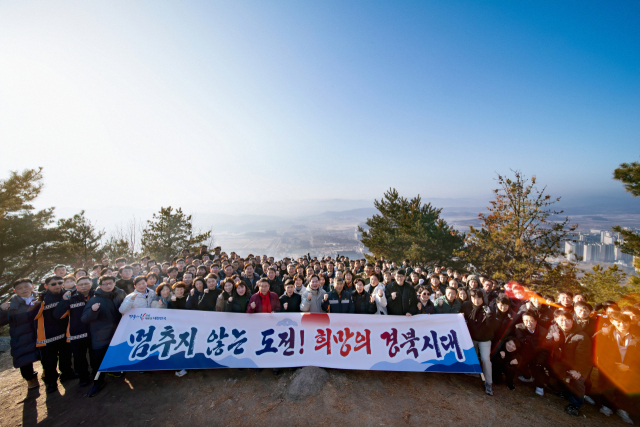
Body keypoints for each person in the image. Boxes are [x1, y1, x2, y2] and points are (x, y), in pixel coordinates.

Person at [81, 275, 126, 397]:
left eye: (110, 283)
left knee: (116, 354)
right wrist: (93, 311)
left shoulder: (119, 294)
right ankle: (98, 382)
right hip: (101, 336)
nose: (108, 286)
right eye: (105, 284)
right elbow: (84, 319)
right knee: (98, 361)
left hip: (117, 333)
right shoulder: (94, 300)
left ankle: (114, 371)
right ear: (100, 285)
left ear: (114, 283)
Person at [546, 309, 592, 417]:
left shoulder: (581, 336)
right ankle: (563, 390)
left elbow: (583, 357)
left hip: (580, 365)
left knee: (578, 380)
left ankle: (575, 405)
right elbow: (546, 344)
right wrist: (553, 340)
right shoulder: (555, 330)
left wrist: (577, 370)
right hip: (562, 363)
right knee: (553, 371)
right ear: (556, 321)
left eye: (567, 320)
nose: (564, 323)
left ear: (572, 321)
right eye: (561, 320)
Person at [35, 276, 77, 394]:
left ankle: (67, 373)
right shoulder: (41, 298)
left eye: (60, 283)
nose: (57, 285)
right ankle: (51, 382)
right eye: (53, 284)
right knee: (49, 361)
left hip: (65, 332)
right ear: (46, 286)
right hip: (48, 335)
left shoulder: (68, 294)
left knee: (66, 356)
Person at [53, 276, 95, 387]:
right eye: (80, 284)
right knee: (79, 358)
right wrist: (65, 301)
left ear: (91, 284)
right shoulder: (71, 297)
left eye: (86, 284)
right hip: (77, 334)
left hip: (94, 332)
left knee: (95, 356)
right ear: (76, 286)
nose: (83, 286)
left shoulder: (97, 295)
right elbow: (58, 315)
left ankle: (97, 375)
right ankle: (83, 378)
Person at [0, 278, 41, 389]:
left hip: (40, 333)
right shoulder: (11, 305)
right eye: (19, 288)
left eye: (26, 286)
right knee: (24, 359)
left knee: (46, 355)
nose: (23, 290)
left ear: (32, 287)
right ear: (15, 291)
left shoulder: (42, 298)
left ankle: (49, 374)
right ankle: (31, 380)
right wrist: (2, 310)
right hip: (21, 337)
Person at [462, 289, 498, 396]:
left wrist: (489, 316)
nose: (476, 300)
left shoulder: (488, 309)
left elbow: (492, 327)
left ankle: (488, 383)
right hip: (471, 337)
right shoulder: (466, 305)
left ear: (483, 298)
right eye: (473, 298)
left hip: (484, 338)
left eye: (479, 298)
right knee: (471, 356)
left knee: (485, 359)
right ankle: (473, 372)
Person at [514, 310, 549, 396]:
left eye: (531, 321)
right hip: (525, 353)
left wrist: (539, 360)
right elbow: (521, 342)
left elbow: (545, 349)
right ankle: (527, 376)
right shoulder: (519, 328)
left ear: (536, 321)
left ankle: (540, 386)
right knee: (519, 361)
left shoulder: (543, 331)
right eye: (526, 321)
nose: (528, 323)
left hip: (538, 354)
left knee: (538, 366)